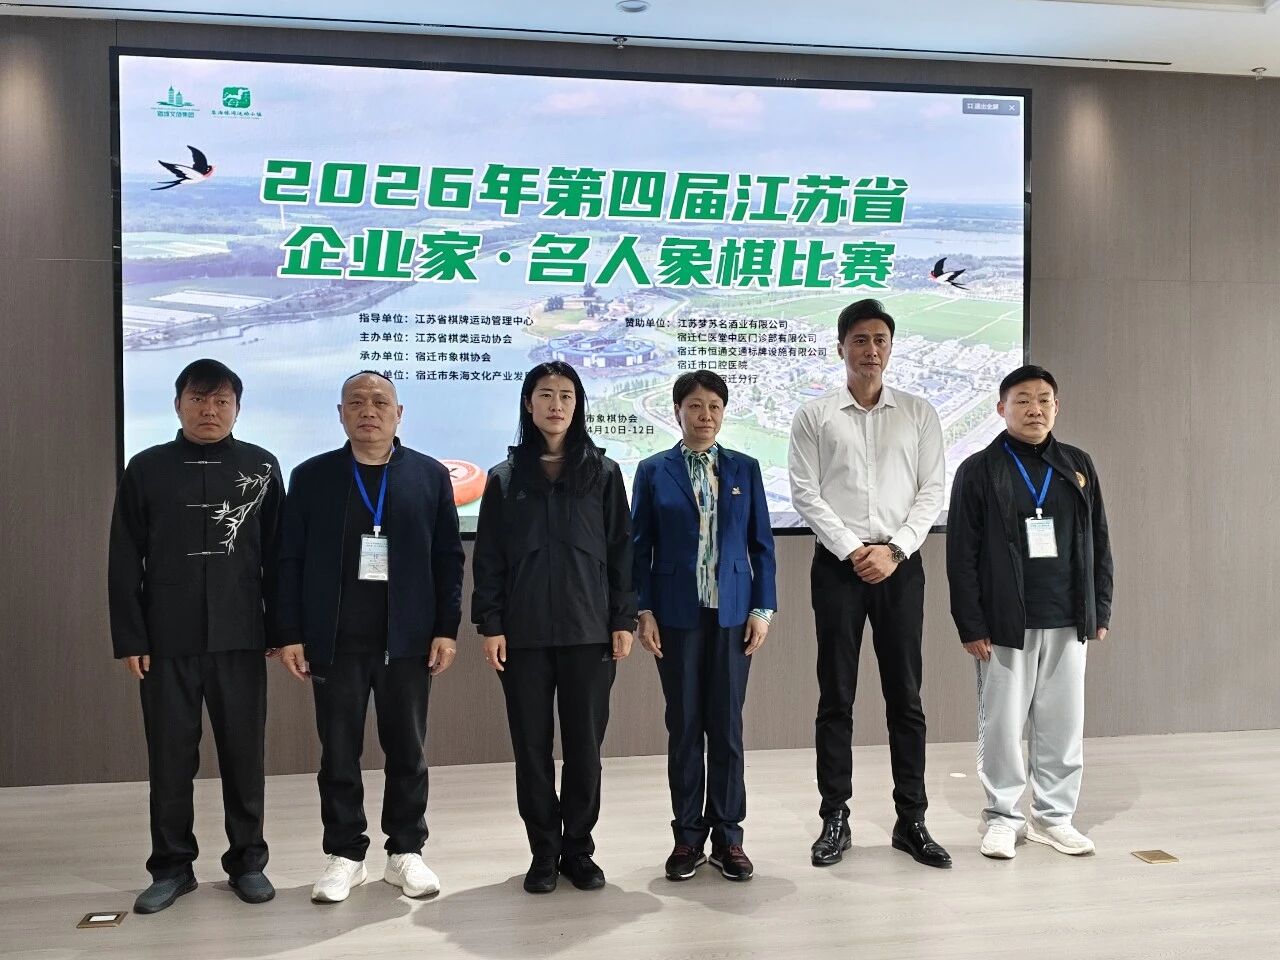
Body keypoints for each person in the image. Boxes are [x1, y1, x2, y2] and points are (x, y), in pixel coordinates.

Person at [276, 371, 464, 903]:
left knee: (408, 750)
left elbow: (448, 559)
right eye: (356, 402)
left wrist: (446, 629)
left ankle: (405, 852)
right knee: (338, 753)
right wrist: (290, 633)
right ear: (340, 414)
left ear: (399, 414)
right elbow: (289, 560)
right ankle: (345, 855)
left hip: (407, 642)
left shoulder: (429, 476)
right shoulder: (312, 476)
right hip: (334, 642)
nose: (369, 410)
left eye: (380, 402)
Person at [108, 359, 282, 913]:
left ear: (237, 408)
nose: (210, 410)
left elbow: (280, 557)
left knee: (244, 755)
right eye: (199, 399)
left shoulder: (261, 466)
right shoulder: (146, 468)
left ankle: (247, 863)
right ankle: (171, 867)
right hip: (166, 641)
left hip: (241, 637)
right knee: (169, 757)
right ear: (178, 404)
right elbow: (123, 557)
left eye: (222, 400)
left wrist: (282, 630)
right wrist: (132, 637)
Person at [788, 298, 951, 869]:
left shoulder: (919, 413)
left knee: (906, 696)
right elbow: (805, 492)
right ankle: (835, 817)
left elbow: (932, 490)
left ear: (891, 347)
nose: (871, 349)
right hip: (839, 566)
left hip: (900, 566)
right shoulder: (814, 415)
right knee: (836, 695)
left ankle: (912, 820)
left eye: (880, 339)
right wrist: (855, 550)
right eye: (860, 339)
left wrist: (895, 549)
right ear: (841, 347)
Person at [471, 361, 636, 894]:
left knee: (585, 749)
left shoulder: (603, 473)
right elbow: (489, 558)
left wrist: (623, 619)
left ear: (578, 405)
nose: (556, 404)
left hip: (590, 633)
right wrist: (491, 624)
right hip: (523, 636)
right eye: (546, 394)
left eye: (566, 395)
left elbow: (621, 552)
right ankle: (543, 852)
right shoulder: (504, 477)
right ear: (529, 404)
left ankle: (579, 850)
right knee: (532, 749)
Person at [946, 364, 1113, 860]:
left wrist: (1100, 607)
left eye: (1043, 400)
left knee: (1062, 724)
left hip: (1068, 616)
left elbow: (1099, 539)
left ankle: (1053, 818)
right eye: (1022, 400)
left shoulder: (1077, 464)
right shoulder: (979, 469)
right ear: (1002, 408)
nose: (1034, 409)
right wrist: (971, 623)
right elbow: (962, 554)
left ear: (1056, 407)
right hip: (1004, 622)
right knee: (1001, 725)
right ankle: (1002, 818)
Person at [631, 370, 777, 883]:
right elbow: (638, 548)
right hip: (676, 617)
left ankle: (729, 837)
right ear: (678, 411)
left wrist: (762, 609)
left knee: (728, 728)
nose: (705, 415)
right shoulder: (653, 470)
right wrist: (643, 610)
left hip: (733, 616)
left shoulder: (744, 468)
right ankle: (688, 837)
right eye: (695, 406)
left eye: (714, 406)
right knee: (686, 726)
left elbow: (762, 545)